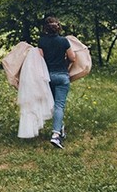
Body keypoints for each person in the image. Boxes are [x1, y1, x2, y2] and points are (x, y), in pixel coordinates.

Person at [38, 15, 75, 149]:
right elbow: (73, 57)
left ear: (45, 28)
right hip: (62, 76)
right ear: (58, 27)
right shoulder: (64, 41)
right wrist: (67, 66)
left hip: (48, 77)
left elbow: (40, 60)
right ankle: (55, 135)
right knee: (59, 106)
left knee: (54, 105)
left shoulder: (42, 42)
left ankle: (60, 128)